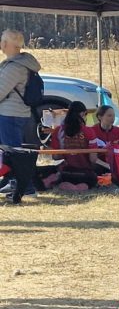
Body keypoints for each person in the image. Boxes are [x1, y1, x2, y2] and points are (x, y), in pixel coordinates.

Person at [0, 29, 40, 205]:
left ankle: (26, 187)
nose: (0, 44)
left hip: (10, 114)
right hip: (17, 113)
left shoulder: (15, 67)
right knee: (12, 151)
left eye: (2, 40)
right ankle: (11, 181)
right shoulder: (23, 63)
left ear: (8, 44)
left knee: (13, 152)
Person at [48, 101, 97, 191]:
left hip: (66, 172)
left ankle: (60, 182)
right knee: (91, 180)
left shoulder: (58, 130)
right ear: (82, 114)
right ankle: (80, 187)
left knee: (57, 174)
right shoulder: (89, 131)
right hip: (85, 173)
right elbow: (93, 159)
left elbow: (55, 156)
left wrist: (69, 152)